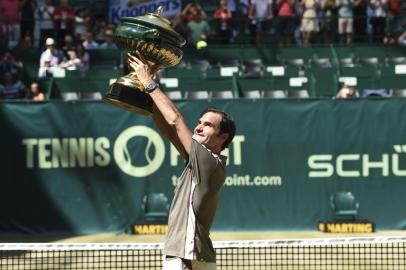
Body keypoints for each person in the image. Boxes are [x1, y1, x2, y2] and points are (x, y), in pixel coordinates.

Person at [128, 52, 236, 270]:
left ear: (222, 137)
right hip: (191, 255)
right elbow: (170, 130)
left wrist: (149, 82)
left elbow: (175, 120)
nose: (199, 127)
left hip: (186, 255)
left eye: (208, 125)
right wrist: (147, 91)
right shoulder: (200, 160)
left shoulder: (209, 162)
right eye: (199, 122)